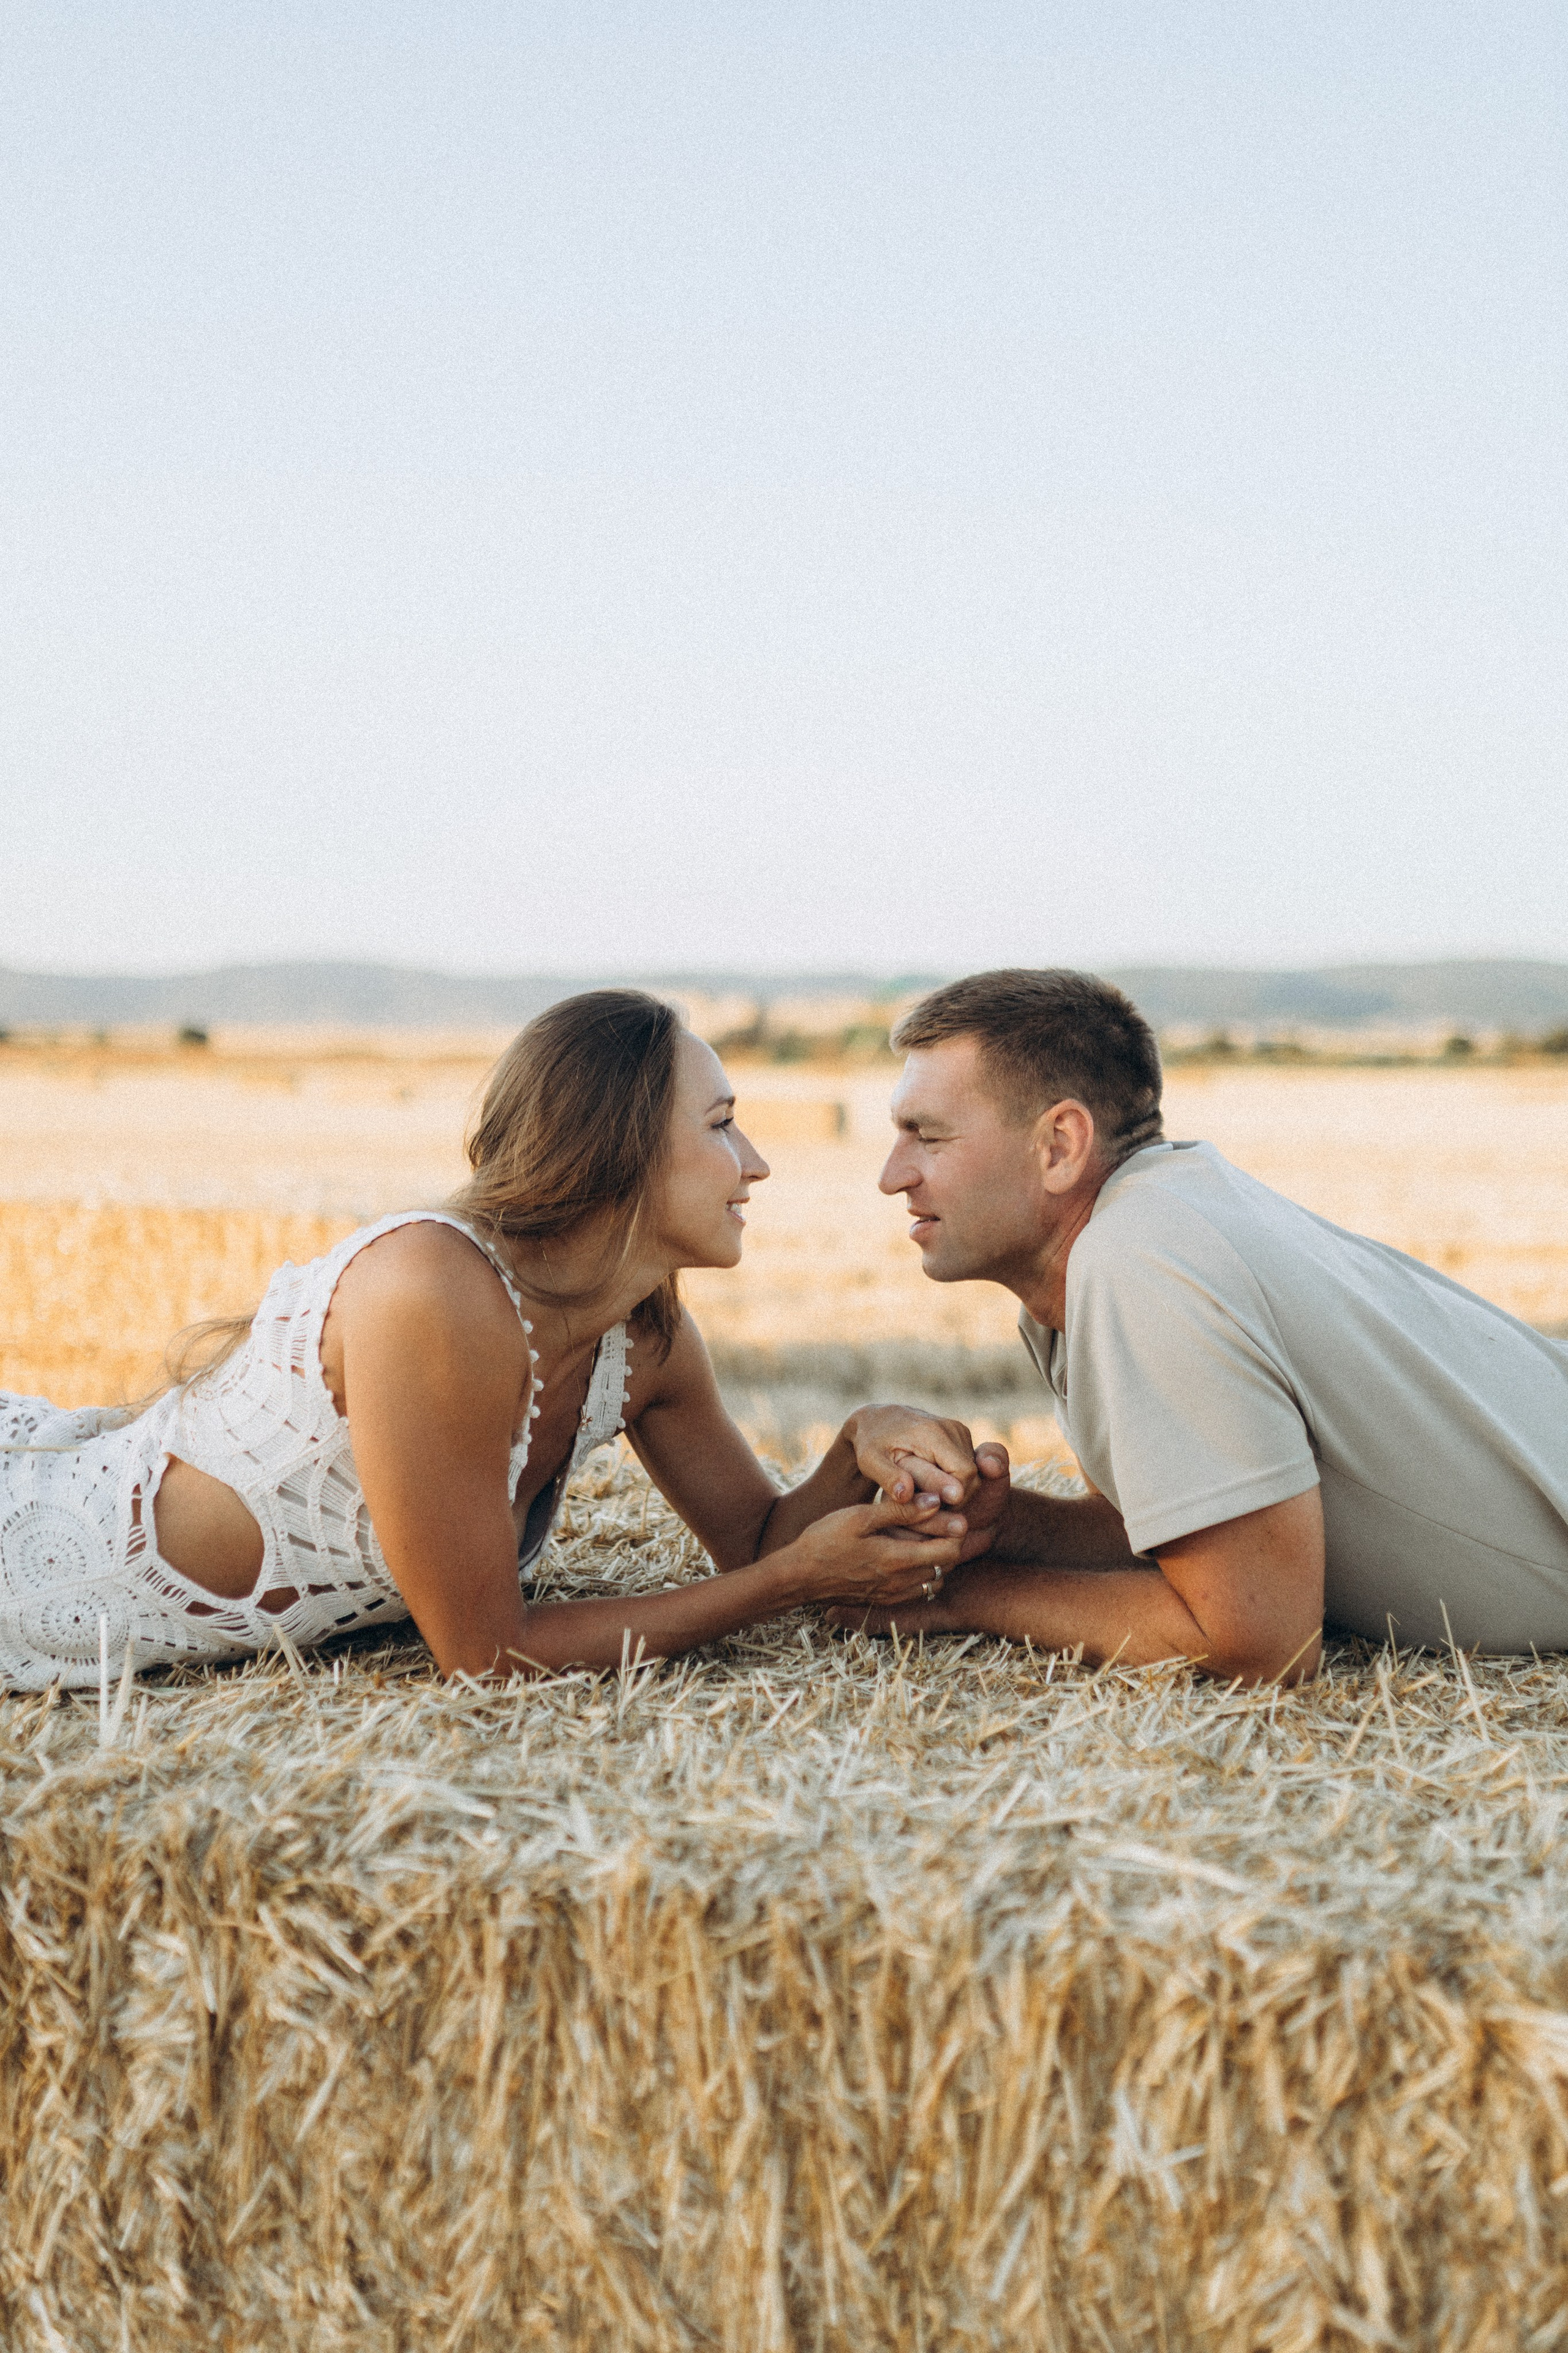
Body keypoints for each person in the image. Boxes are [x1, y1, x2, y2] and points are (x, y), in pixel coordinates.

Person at [0, 991, 989, 1691]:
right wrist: (786, 1586)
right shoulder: (430, 1288)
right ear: (621, 1148)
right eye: (723, 1124)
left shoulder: (644, 1338)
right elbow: (483, 1652)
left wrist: (863, 1438)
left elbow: (758, 1540)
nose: (758, 1163)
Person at [835, 967, 1568, 1682]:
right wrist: (999, 1531)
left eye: (927, 1136)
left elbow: (1259, 1642)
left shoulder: (1141, 1261)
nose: (891, 1175)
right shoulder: (1161, 1214)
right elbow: (1203, 1538)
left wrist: (961, 1597)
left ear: (1059, 1145)